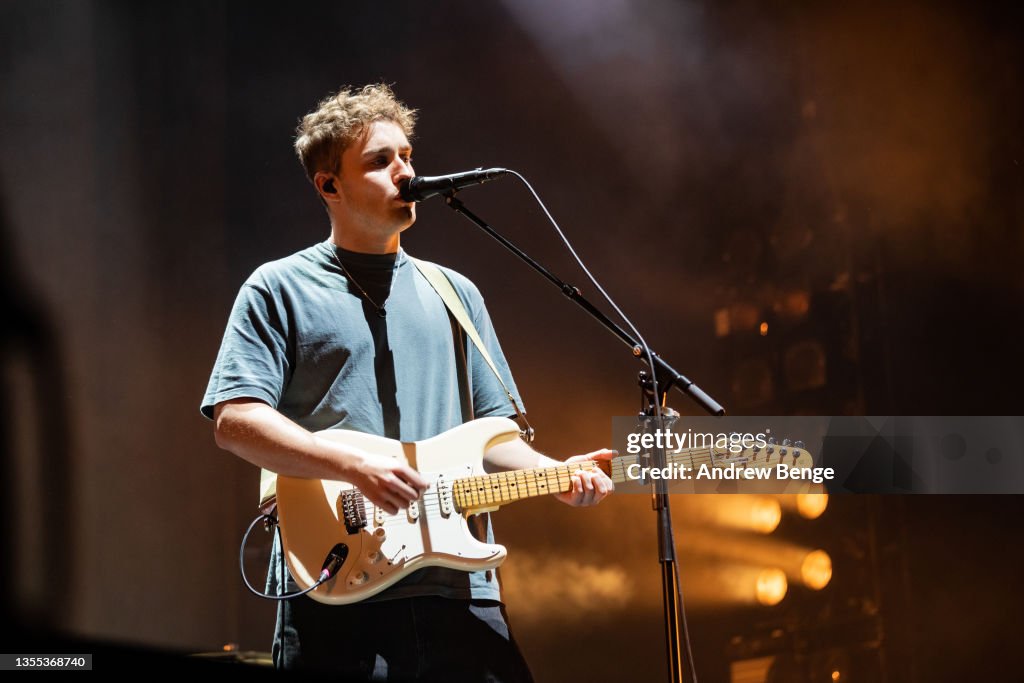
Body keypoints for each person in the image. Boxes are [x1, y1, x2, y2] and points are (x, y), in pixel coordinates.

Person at [201, 83, 614, 680]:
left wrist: (557, 474)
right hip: (333, 584)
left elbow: (494, 440)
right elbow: (235, 422)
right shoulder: (278, 287)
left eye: (407, 155)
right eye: (380, 160)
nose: (405, 171)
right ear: (329, 186)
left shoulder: (457, 293)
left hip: (458, 588)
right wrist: (351, 467)